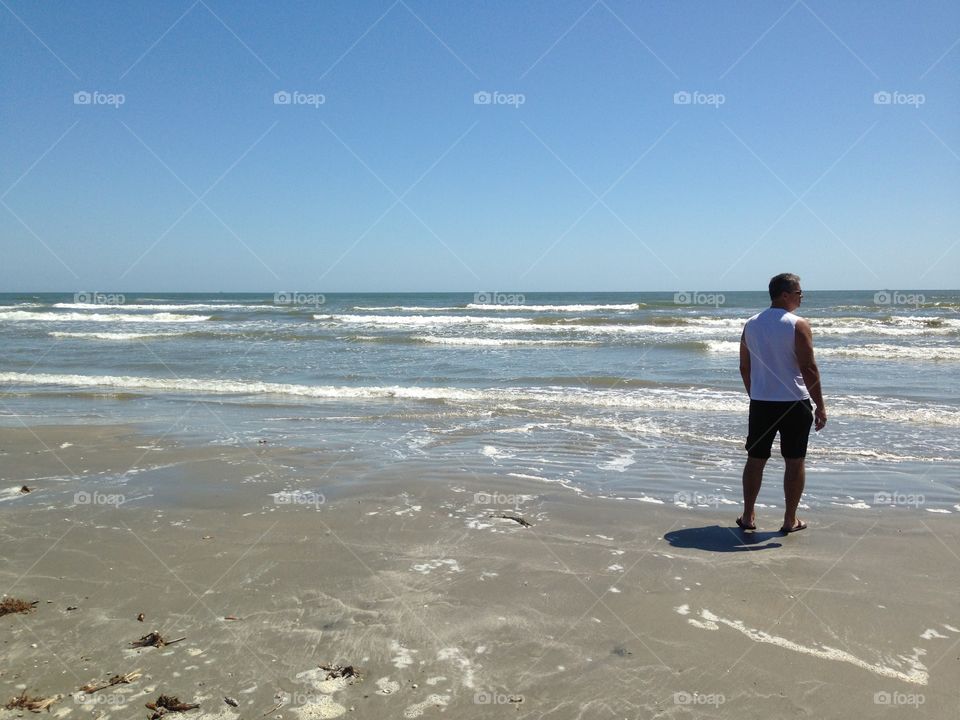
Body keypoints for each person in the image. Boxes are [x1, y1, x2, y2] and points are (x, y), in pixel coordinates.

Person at [736, 273, 826, 534]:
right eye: (799, 292)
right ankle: (789, 519)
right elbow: (808, 367)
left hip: (762, 403)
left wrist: (756, 393)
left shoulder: (751, 324)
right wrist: (820, 405)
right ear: (785, 294)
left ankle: (748, 515)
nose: (802, 296)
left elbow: (744, 366)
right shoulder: (797, 324)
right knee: (795, 461)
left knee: (755, 459)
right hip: (794, 403)